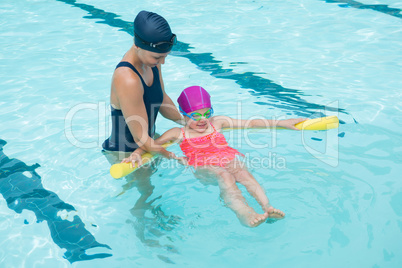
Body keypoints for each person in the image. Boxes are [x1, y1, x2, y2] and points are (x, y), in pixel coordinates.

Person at [129, 86, 307, 227]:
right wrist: (137, 154)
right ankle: (244, 213)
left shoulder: (217, 122)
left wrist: (282, 123)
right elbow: (151, 144)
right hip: (204, 166)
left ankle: (267, 207)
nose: (203, 119)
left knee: (244, 174)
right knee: (225, 175)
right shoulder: (178, 132)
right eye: (195, 115)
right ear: (183, 114)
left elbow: (251, 123)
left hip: (227, 158)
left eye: (207, 113)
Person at [102, 10, 183, 161]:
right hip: (128, 156)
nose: (162, 62)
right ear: (137, 46)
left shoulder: (151, 61)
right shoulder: (127, 78)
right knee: (148, 186)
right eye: (158, 57)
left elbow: (162, 99)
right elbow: (140, 138)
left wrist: (187, 121)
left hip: (149, 143)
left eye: (165, 57)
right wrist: (174, 157)